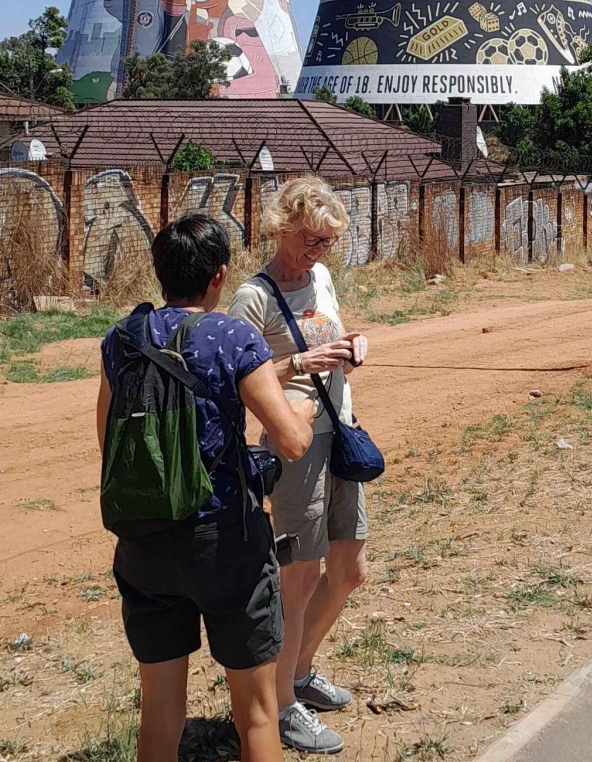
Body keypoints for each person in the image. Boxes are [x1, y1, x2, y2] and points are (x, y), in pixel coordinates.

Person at [95, 214, 315, 762]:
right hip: (225, 542)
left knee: (159, 715)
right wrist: (305, 406)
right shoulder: (232, 336)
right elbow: (290, 441)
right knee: (257, 712)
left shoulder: (123, 338)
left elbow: (109, 439)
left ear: (159, 273)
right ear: (219, 276)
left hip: (144, 540)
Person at [229, 177, 369, 755]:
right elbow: (234, 381)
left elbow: (333, 333)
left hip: (341, 431)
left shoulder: (322, 279)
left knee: (350, 569)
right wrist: (298, 364)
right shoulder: (252, 298)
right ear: (282, 228)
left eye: (328, 243)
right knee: (299, 576)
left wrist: (355, 347)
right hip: (294, 445)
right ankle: (282, 703)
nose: (319, 253)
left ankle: (301, 672)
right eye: (312, 240)